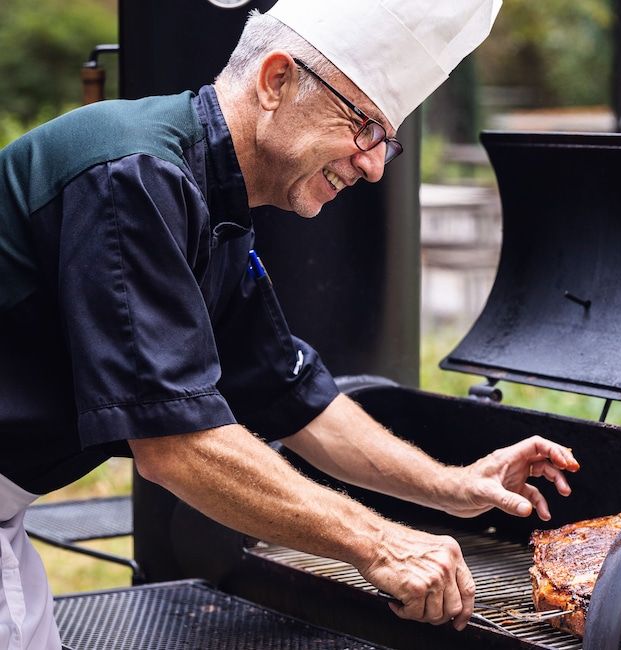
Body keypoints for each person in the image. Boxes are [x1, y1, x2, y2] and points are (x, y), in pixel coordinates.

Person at [0, 0, 580, 647]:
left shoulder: (214, 204)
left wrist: (451, 487)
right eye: (363, 124)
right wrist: (379, 543)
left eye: (386, 140)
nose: (374, 164)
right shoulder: (135, 175)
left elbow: (291, 395)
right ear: (276, 81)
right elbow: (175, 446)